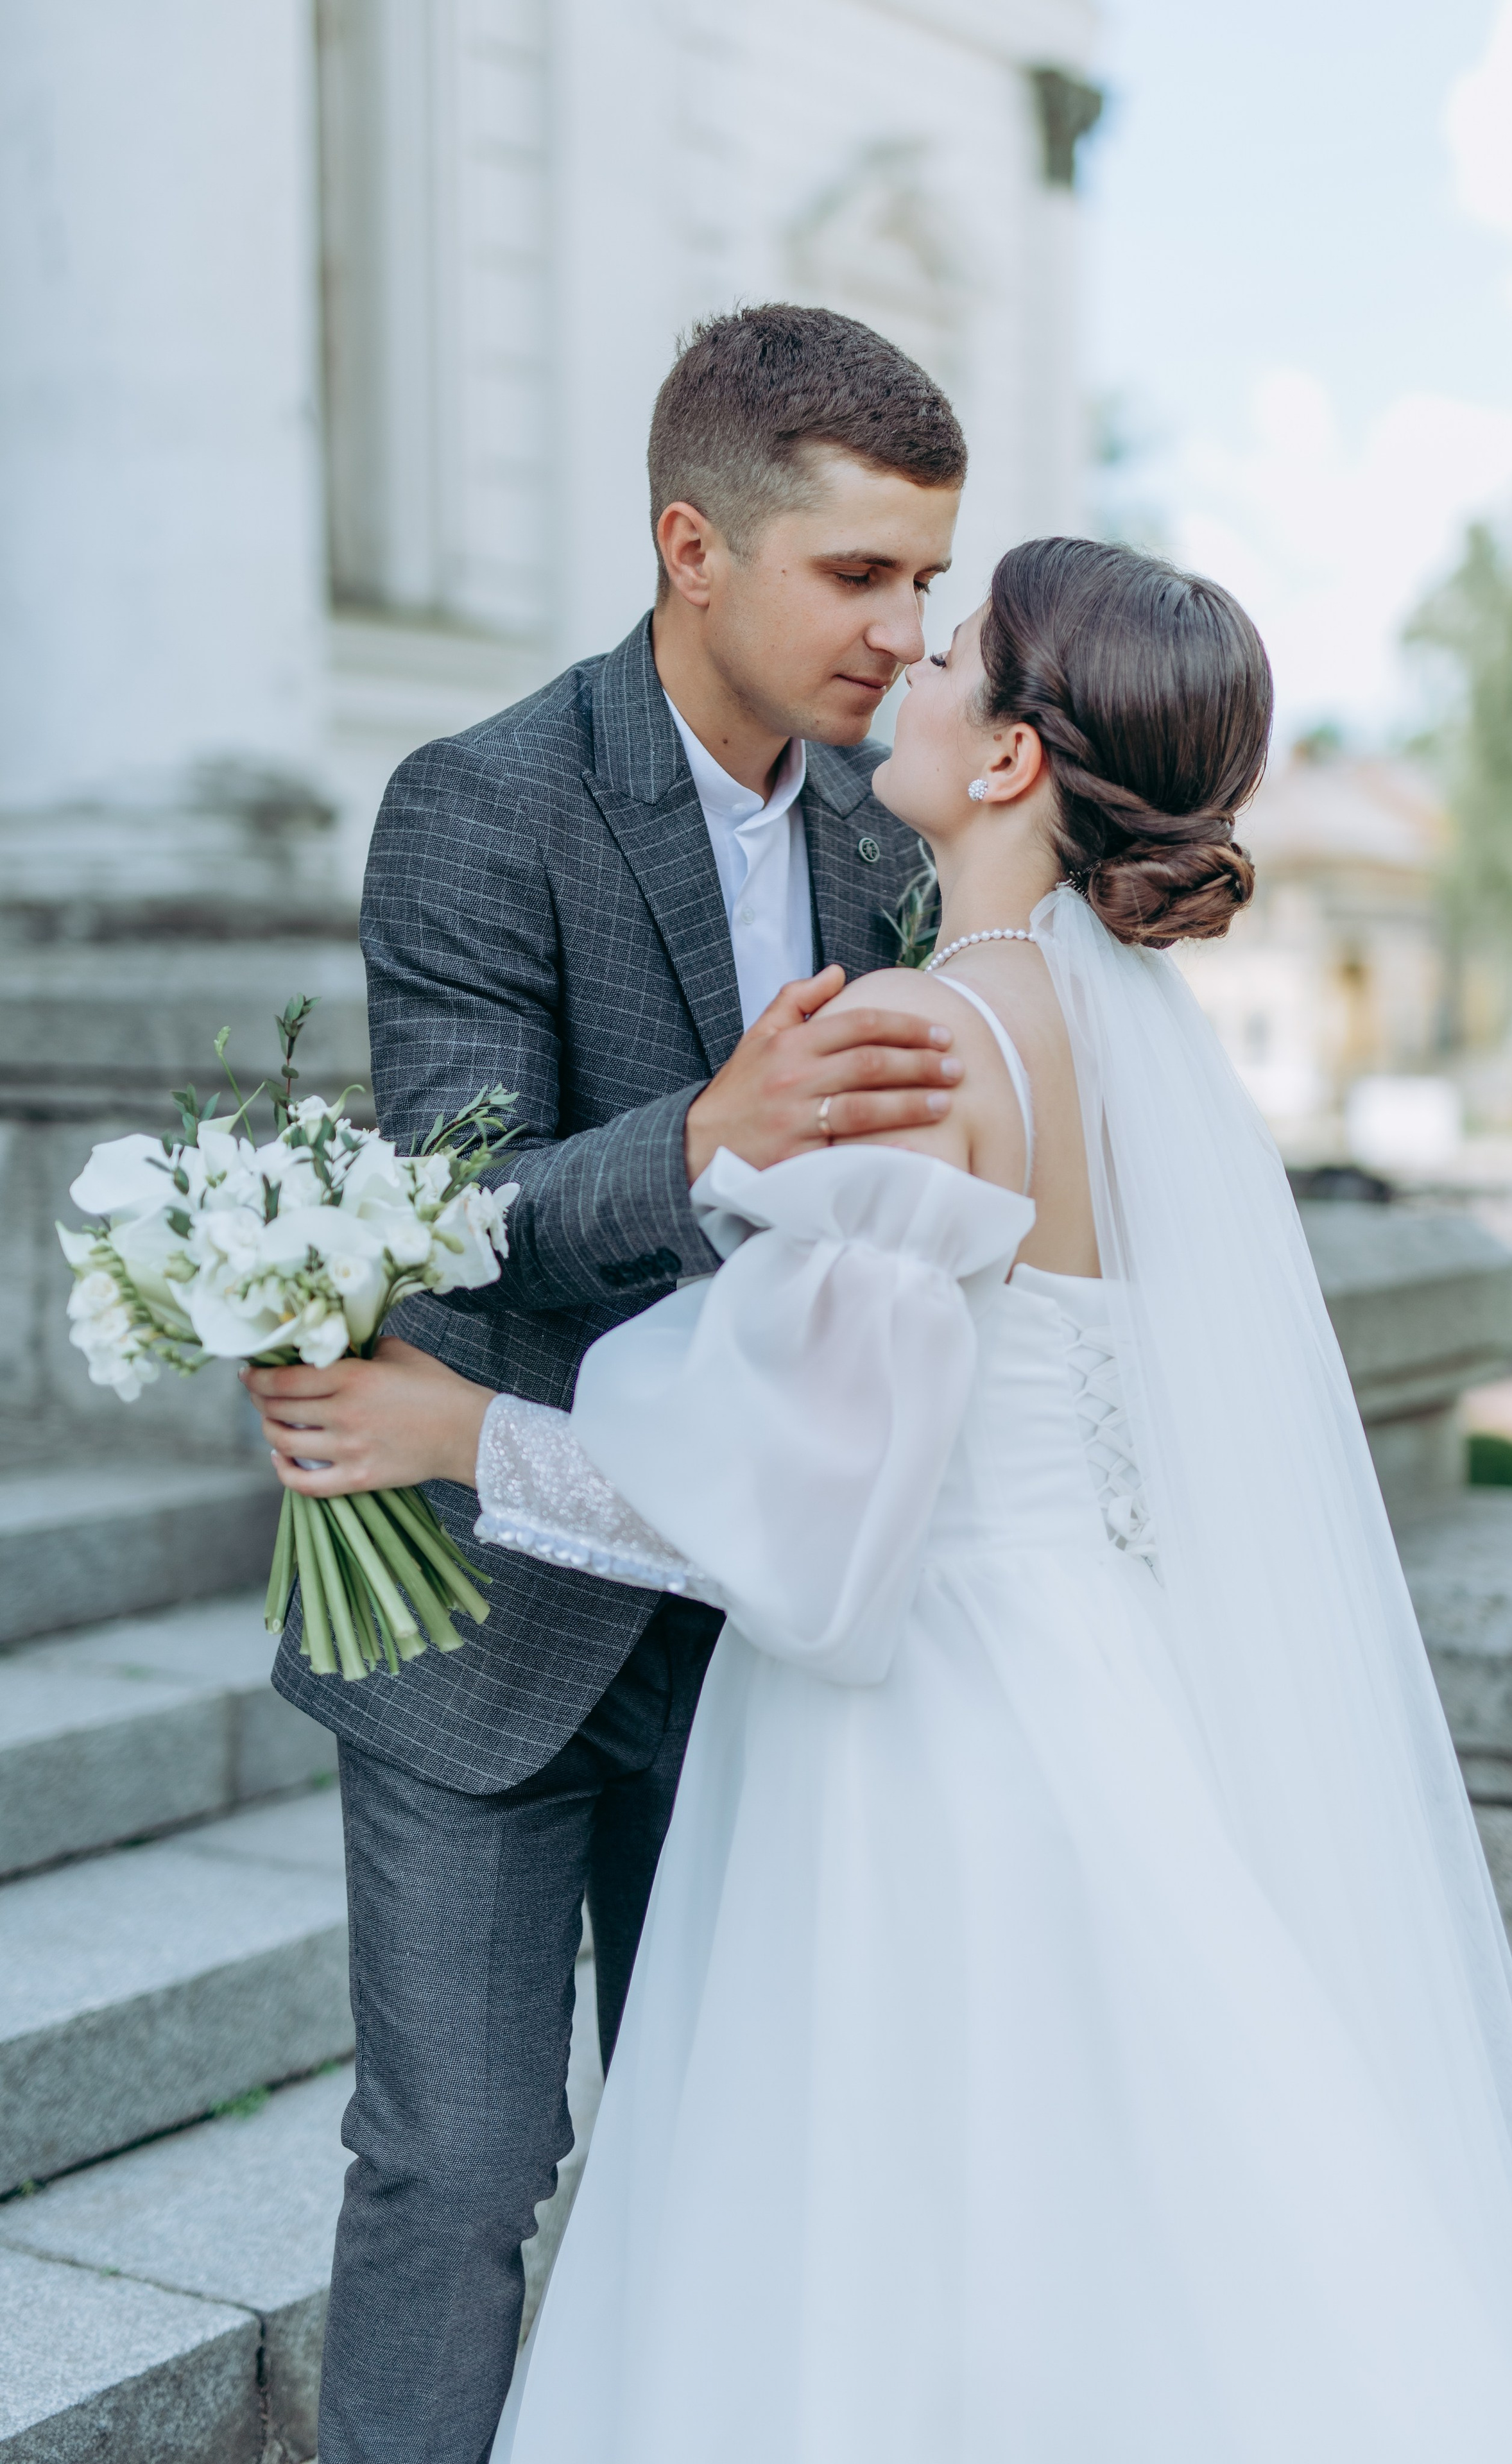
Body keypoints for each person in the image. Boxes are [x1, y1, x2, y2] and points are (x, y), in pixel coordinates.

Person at [252, 537, 1512, 2461]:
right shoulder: (1071, 1018)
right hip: (1073, 1665)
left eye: (962, 644)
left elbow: (788, 1500)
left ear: (1006, 764)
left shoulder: (937, 1039)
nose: (915, 656)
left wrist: (446, 1433)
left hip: (920, 1707)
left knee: (875, 2252)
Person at [266, 303, 971, 2463]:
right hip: (487, 1602)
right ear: (693, 545)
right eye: (860, 575)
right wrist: (703, 1140)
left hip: (760, 1609)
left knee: (728, 2167)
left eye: (930, 580)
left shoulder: (891, 834)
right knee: (462, 2173)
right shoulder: (478, 803)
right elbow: (453, 1208)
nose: (905, 630)